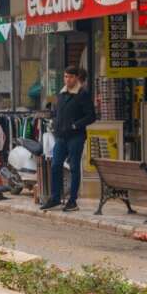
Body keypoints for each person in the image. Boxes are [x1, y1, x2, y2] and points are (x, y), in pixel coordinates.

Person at [43, 66, 95, 212]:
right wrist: (53, 119)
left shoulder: (82, 94)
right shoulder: (61, 94)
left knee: (74, 168)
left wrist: (75, 125)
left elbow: (91, 116)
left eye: (70, 77)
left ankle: (72, 201)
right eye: (65, 76)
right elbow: (58, 112)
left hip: (76, 137)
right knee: (55, 165)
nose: (67, 79)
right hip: (61, 136)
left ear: (77, 78)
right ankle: (55, 198)